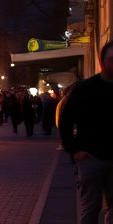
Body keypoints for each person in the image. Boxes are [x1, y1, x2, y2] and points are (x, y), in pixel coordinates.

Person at [59, 40, 113, 224]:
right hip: (91, 158)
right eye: (112, 59)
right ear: (102, 62)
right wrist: (74, 150)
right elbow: (65, 120)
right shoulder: (85, 89)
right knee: (90, 208)